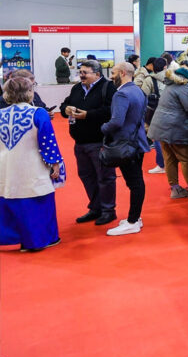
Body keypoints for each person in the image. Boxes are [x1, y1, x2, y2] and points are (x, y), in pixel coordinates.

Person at [0, 76, 65, 251]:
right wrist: (55, 164)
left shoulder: (0, 114)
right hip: (31, 165)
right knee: (38, 201)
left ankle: (16, 237)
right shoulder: (38, 113)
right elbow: (47, 143)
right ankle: (38, 240)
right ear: (29, 92)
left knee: (10, 199)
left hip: (5, 167)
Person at [60, 59, 117, 226]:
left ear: (97, 74)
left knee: (105, 178)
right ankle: (95, 208)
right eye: (80, 72)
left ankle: (108, 211)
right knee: (86, 176)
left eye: (85, 73)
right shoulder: (77, 88)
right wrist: (65, 109)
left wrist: (88, 115)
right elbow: (65, 103)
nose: (81, 75)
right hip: (79, 142)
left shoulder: (108, 87)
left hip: (100, 141)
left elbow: (111, 111)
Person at [101, 63, 149, 236]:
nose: (111, 76)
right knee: (135, 181)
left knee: (135, 182)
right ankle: (135, 218)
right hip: (137, 142)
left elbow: (116, 121)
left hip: (126, 144)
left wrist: (103, 128)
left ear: (122, 73)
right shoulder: (138, 91)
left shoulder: (121, 94)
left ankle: (132, 221)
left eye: (113, 73)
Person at [148, 67, 188, 199]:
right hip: (177, 128)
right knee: (187, 159)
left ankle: (175, 189)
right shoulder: (186, 86)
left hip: (161, 127)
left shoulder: (170, 85)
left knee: (169, 159)